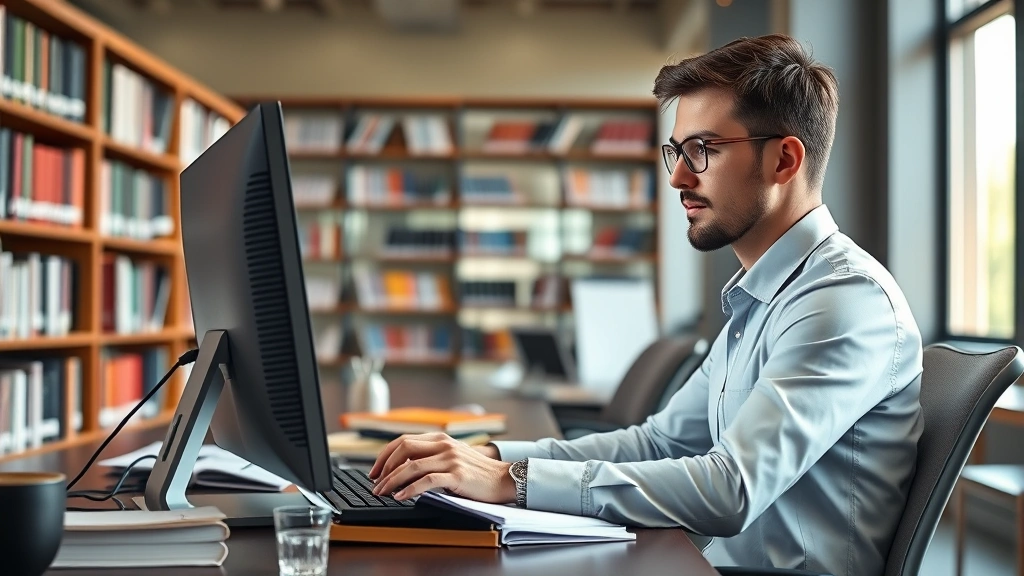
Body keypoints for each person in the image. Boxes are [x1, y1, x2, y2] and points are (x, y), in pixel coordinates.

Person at [368, 33, 923, 576]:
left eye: (703, 150)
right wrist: (488, 457)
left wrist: (514, 479)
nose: (679, 177)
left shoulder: (842, 301)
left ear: (783, 160)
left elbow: (731, 490)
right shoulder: (762, 296)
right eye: (677, 152)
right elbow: (659, 442)